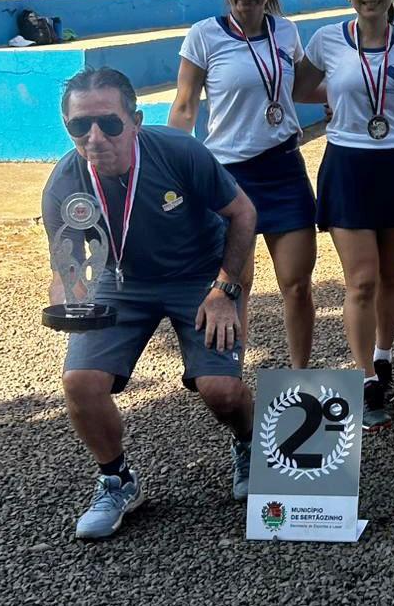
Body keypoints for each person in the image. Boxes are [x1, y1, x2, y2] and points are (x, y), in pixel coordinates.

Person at [44, 67, 258, 540]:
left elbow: (243, 213)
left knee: (222, 392)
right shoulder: (64, 181)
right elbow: (67, 265)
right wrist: (69, 295)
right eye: (80, 125)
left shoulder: (179, 152)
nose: (95, 138)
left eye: (109, 123)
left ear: (135, 122)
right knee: (80, 381)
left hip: (200, 276)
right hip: (121, 281)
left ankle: (248, 443)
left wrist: (226, 290)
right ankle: (117, 481)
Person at [294, 0, 394, 431]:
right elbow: (299, 89)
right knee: (363, 280)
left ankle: (383, 357)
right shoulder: (327, 40)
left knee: (392, 275)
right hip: (348, 164)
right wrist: (340, 94)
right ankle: (366, 378)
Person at [170, 0, 317, 369]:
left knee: (296, 284)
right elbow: (184, 107)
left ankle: (300, 378)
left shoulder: (286, 32)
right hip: (229, 178)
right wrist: (173, 169)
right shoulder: (203, 36)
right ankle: (232, 379)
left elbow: (299, 89)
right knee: (236, 286)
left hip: (284, 168)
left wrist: (357, 98)